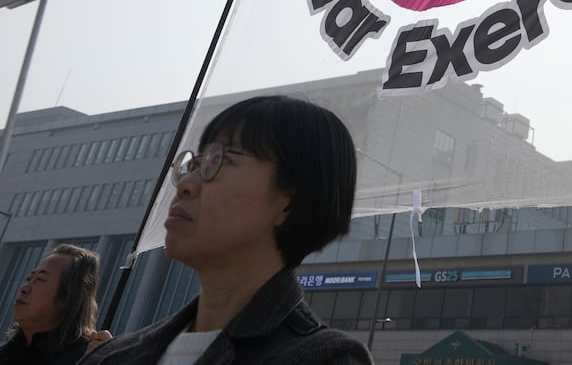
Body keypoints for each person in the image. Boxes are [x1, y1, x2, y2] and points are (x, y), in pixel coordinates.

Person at [83, 95, 371, 365]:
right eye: (193, 165)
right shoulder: (113, 355)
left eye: (220, 162)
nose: (185, 185)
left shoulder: (323, 358)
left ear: (288, 202)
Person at [0, 243, 103, 364]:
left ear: (66, 298)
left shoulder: (85, 359)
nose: (24, 288)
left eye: (40, 279)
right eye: (29, 278)